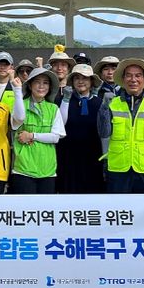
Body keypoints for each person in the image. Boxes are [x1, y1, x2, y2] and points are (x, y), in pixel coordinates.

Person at [98, 59, 144, 193]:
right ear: (123, 79)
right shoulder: (111, 103)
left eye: (138, 76)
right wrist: (104, 108)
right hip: (118, 169)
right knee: (119, 206)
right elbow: (104, 133)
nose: (133, 79)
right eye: (129, 75)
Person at [10, 67, 66, 193]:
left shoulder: (53, 108)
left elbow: (56, 137)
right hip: (23, 170)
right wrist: (17, 90)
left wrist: (32, 135)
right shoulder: (20, 105)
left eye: (45, 83)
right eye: (37, 82)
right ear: (30, 85)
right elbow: (19, 118)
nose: (41, 86)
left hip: (48, 170)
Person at [56, 64, 105, 193]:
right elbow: (61, 124)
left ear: (91, 81)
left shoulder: (99, 103)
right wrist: (66, 100)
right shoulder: (62, 100)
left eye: (85, 78)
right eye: (77, 78)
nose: (81, 81)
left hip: (93, 156)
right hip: (67, 157)